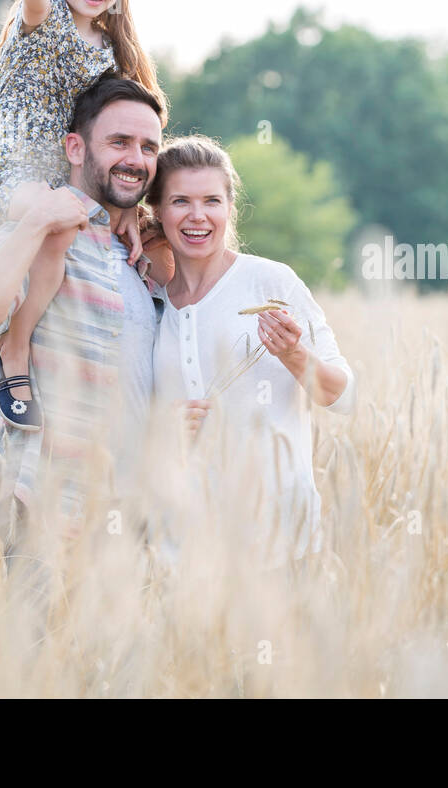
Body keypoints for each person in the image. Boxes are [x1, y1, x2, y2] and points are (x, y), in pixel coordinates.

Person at [0, 75, 168, 595]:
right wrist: (36, 221)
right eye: (119, 142)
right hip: (47, 507)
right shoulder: (42, 236)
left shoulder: (141, 257)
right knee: (36, 667)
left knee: (121, 676)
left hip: (131, 510)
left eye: (149, 146)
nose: (137, 158)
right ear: (74, 147)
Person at [0, 0, 167, 433]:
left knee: (73, 223)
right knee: (55, 220)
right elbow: (36, 9)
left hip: (64, 184)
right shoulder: (45, 22)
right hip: (12, 176)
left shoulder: (110, 56)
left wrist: (131, 206)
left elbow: (118, 136)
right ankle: (11, 356)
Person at [145, 136, 357, 570]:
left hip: (279, 544)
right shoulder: (151, 300)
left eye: (212, 200)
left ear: (230, 208)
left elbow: (344, 397)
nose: (198, 216)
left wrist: (294, 355)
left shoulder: (271, 283)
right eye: (180, 201)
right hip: (186, 551)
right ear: (158, 212)